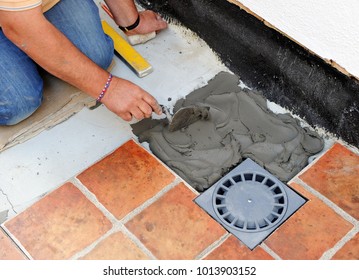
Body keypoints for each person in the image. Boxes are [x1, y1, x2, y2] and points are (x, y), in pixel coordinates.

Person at [0, 0, 167, 125]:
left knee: (96, 58)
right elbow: (21, 26)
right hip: (18, 18)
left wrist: (132, 22)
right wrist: (109, 89)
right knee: (18, 105)